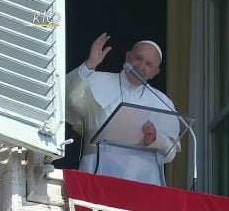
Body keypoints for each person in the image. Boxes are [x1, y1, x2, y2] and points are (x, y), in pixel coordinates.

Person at [66, 33, 180, 184]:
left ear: (155, 73)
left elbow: (171, 152)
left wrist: (155, 139)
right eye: (138, 58)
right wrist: (90, 65)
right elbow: (66, 97)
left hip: (142, 179)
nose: (141, 66)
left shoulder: (163, 102)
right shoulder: (95, 80)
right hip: (97, 172)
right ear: (127, 57)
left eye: (149, 64)